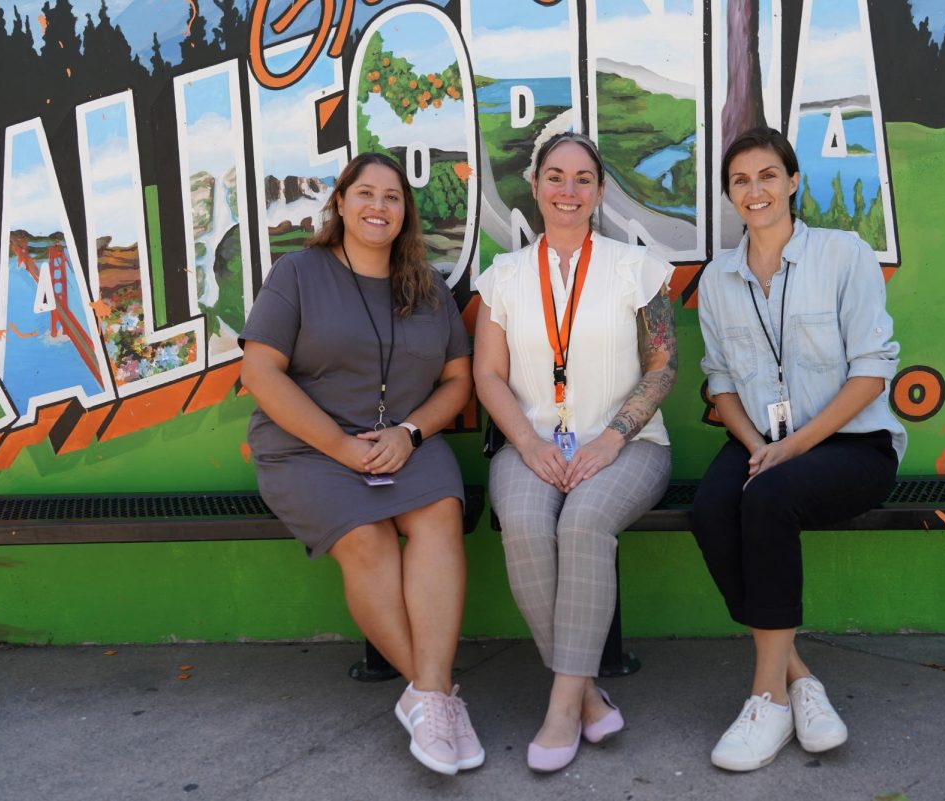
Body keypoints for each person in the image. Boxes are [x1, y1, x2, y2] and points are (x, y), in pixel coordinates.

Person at [239, 152, 482, 776]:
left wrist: (409, 431)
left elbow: (458, 380)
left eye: (393, 197)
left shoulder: (426, 288)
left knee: (439, 518)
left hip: (405, 443)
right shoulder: (297, 273)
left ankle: (428, 699)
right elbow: (259, 370)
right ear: (340, 203)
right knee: (369, 541)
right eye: (365, 193)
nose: (379, 206)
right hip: (308, 449)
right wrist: (342, 447)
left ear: (405, 212)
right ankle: (439, 699)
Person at [693, 126, 907, 772]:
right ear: (730, 195)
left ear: (792, 181)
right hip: (765, 439)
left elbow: (871, 373)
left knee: (768, 498)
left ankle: (766, 699)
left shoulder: (844, 256)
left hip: (852, 442)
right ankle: (799, 676)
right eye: (740, 180)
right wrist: (760, 443)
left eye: (767, 175)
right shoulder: (716, 280)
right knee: (710, 509)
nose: (754, 190)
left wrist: (791, 451)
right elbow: (722, 382)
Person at [473, 132, 678, 772]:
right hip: (530, 445)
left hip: (630, 444)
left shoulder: (635, 268)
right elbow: (487, 376)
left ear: (600, 191)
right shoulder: (502, 277)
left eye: (583, 178)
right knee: (527, 527)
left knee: (584, 523)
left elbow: (664, 365)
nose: (568, 190)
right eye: (554, 177)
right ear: (533, 187)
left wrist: (614, 435)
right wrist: (528, 442)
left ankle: (562, 709)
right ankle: (587, 693)